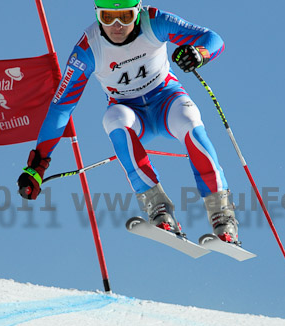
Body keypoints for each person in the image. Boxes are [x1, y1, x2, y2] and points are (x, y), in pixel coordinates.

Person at [18, 0, 240, 244]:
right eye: (107, 17)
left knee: (189, 119)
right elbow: (62, 106)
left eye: (124, 17)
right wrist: (38, 164)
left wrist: (199, 53)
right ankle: (158, 208)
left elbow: (212, 38)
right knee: (113, 119)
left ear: (138, 11)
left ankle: (223, 215)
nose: (115, 26)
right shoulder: (88, 49)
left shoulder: (155, 22)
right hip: (131, 112)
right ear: (96, 14)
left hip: (166, 101)